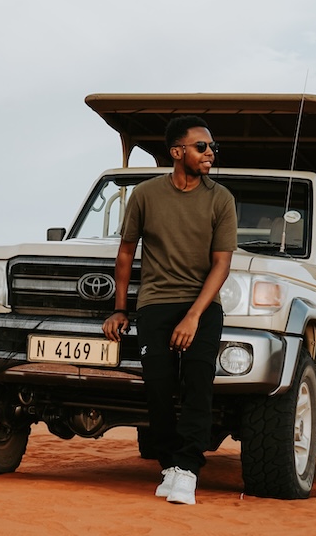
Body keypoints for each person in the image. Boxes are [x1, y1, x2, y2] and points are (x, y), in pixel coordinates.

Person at [102, 115, 237, 505]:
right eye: (202, 147)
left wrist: (194, 316)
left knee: (198, 387)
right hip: (156, 304)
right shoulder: (146, 194)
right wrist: (119, 309)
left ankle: (188, 469)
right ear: (177, 152)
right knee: (158, 390)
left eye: (212, 147)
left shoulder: (220, 199)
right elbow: (126, 253)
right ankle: (169, 465)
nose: (210, 153)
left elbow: (222, 264)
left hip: (202, 306)